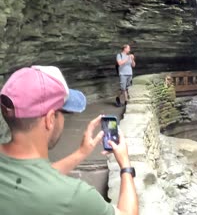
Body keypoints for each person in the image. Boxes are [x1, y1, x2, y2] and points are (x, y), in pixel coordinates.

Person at [0, 66, 138, 215]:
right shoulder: (73, 196)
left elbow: (32, 177)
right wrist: (125, 166)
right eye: (63, 112)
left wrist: (81, 153)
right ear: (50, 119)